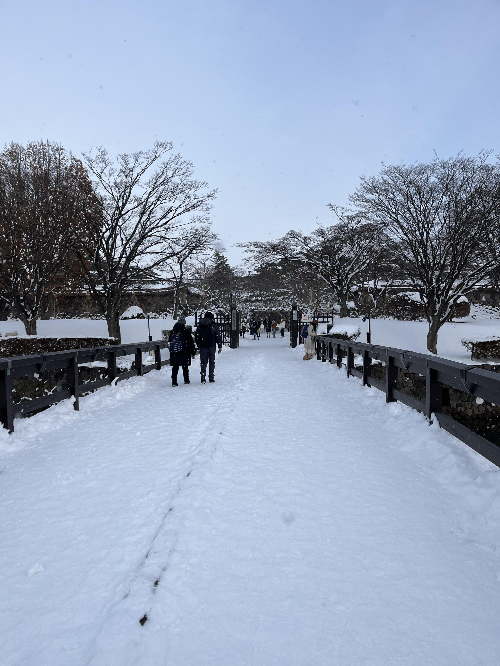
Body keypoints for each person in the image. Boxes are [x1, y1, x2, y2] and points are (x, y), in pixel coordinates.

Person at [194, 311, 222, 383]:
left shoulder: (200, 325)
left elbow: (196, 336)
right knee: (211, 362)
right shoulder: (213, 325)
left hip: (203, 346)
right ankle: (211, 377)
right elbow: (218, 336)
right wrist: (219, 346)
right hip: (212, 346)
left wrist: (199, 344)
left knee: (203, 362)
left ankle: (203, 376)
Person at [168, 318, 196, 386]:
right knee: (185, 366)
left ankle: (174, 381)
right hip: (184, 351)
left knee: (175, 366)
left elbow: (169, 341)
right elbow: (190, 342)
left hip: (174, 352)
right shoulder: (185, 331)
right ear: (184, 323)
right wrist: (193, 351)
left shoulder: (173, 331)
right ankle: (186, 380)